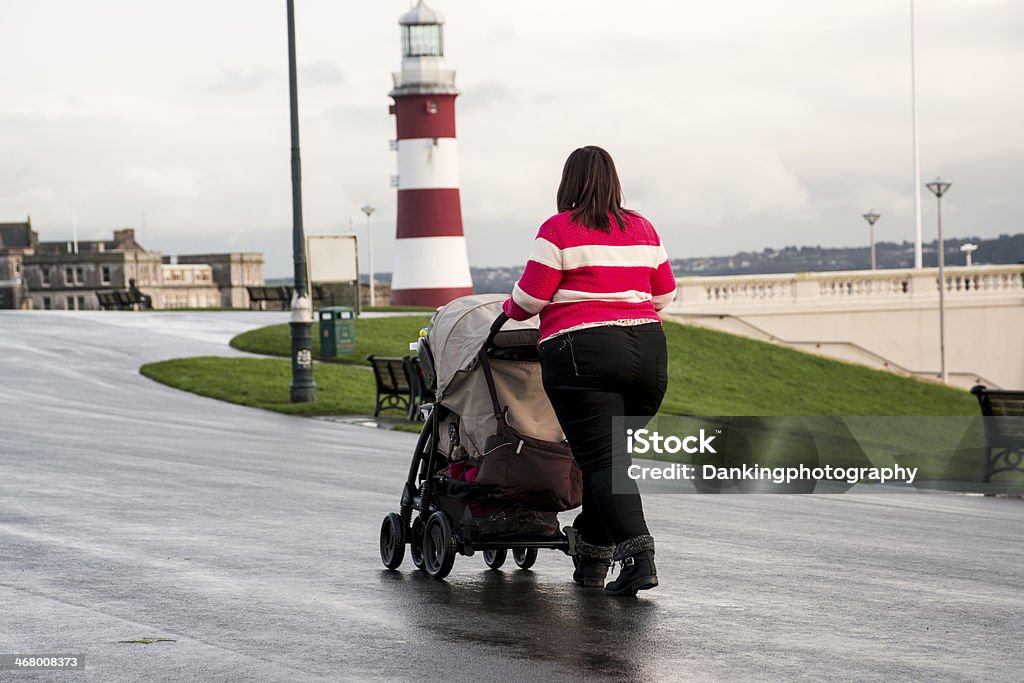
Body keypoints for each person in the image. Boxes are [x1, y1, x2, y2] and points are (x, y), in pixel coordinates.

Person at [502, 145, 677, 596]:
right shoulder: (642, 227)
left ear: (568, 182)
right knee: (611, 462)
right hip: (648, 356)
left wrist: (506, 307)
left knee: (605, 463)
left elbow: (530, 300)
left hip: (584, 353)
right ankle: (593, 559)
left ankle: (639, 560)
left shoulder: (559, 229)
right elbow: (663, 297)